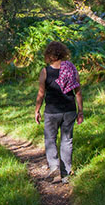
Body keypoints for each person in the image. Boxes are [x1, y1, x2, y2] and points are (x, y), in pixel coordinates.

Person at [34, 41, 83, 184]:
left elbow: (41, 94)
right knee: (67, 141)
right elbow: (78, 92)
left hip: (52, 112)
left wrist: (37, 110)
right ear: (63, 53)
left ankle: (54, 166)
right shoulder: (71, 69)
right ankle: (66, 174)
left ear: (49, 55)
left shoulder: (45, 71)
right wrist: (80, 111)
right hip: (69, 110)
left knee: (50, 139)